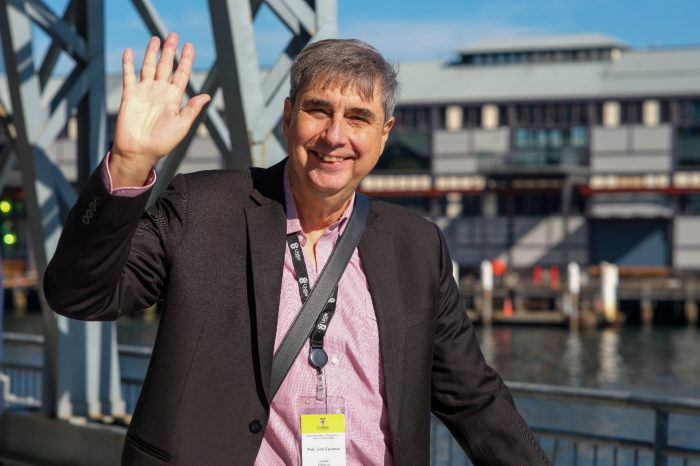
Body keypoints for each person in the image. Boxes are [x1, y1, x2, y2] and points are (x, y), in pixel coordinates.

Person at [44, 32, 550, 465]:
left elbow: (474, 401)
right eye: (318, 110)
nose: (335, 136)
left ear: (383, 134)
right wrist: (130, 165)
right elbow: (79, 295)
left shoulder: (416, 246)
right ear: (288, 117)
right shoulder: (202, 208)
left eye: (358, 118)